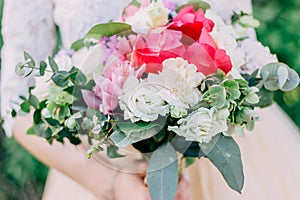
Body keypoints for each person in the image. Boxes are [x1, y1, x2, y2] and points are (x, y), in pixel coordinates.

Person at [1, 0, 300, 200]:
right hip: (107, 165)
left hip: (224, 146)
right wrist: (111, 183)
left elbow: (242, 43)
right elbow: (15, 102)